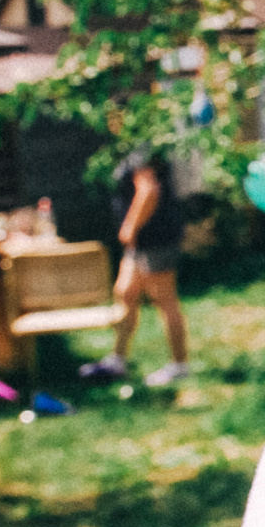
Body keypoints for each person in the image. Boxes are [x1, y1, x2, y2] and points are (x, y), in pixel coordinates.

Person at [81, 148, 189, 385]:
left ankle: (180, 364)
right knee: (125, 292)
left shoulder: (142, 148)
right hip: (141, 241)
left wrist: (130, 225)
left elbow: (149, 191)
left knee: (164, 299)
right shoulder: (128, 146)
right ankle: (118, 360)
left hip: (156, 237)